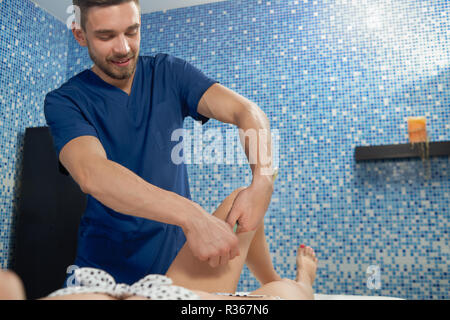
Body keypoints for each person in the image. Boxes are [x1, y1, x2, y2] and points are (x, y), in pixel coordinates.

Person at [44, 0, 275, 288]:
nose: (124, 48)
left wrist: (263, 180)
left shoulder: (170, 73)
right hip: (101, 271)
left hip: (177, 267)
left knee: (243, 202)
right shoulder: (66, 101)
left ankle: (277, 281)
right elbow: (92, 173)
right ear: (80, 35)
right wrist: (192, 215)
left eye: (132, 31)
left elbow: (247, 112)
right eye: (106, 36)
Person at [0, 187, 318, 300]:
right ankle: (302, 281)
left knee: (242, 204)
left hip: (147, 291)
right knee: (293, 295)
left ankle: (271, 278)